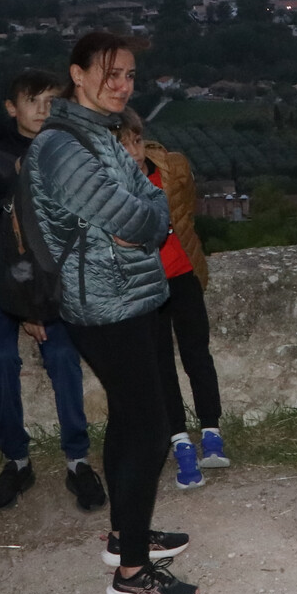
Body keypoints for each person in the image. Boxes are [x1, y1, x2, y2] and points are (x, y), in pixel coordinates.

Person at [29, 31, 196, 594]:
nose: (123, 85)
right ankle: (131, 575)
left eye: (129, 75)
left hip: (135, 296)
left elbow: (151, 206)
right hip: (105, 305)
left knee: (131, 421)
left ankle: (127, 532)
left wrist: (146, 209)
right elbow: (140, 217)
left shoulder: (98, 135)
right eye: (110, 73)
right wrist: (147, 210)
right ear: (77, 75)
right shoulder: (63, 147)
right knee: (149, 429)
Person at [0, 68, 100, 512]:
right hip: (0, 285)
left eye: (52, 101)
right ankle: (16, 461)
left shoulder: (67, 153)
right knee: (1, 361)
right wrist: (21, 307)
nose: (43, 110)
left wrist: (44, 302)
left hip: (54, 287)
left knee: (62, 358)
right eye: (32, 100)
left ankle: (78, 460)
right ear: (11, 107)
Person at [117, 109, 229, 488]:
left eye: (135, 140)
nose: (133, 151)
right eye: (122, 144)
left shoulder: (172, 167)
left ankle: (211, 430)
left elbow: (187, 212)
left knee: (198, 352)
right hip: (144, 286)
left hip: (183, 275)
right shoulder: (107, 186)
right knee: (160, 363)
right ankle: (179, 441)